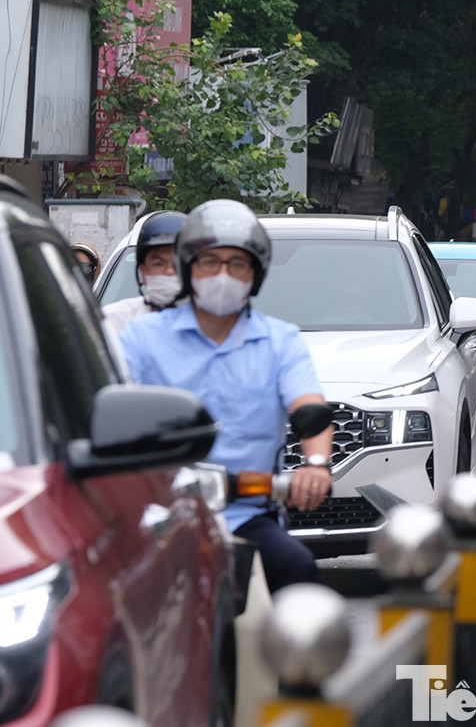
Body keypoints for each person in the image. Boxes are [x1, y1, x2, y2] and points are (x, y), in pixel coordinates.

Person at [119, 199, 334, 590]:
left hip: (247, 515)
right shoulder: (141, 338)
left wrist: (316, 465)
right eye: (210, 262)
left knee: (298, 572)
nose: (223, 275)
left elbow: (310, 408)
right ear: (189, 268)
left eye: (237, 264)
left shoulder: (281, 341)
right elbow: (110, 412)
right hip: (160, 518)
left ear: (256, 275)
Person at [102, 211, 187, 338]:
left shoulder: (212, 323)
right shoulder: (112, 321)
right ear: (143, 272)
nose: (169, 271)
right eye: (158, 264)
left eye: (177, 264)